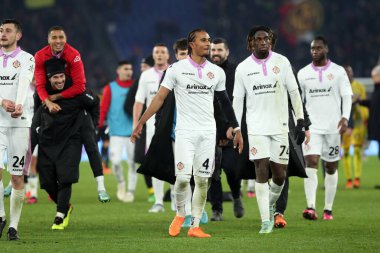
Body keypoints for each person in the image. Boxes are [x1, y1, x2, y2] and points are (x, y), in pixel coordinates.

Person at [132, 28, 243, 238]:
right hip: (184, 133)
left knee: (202, 181)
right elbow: (159, 99)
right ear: (191, 44)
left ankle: (195, 226)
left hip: (207, 134)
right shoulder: (176, 69)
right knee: (182, 179)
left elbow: (225, 103)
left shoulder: (216, 72)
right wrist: (141, 122)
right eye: (204, 40)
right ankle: (180, 213)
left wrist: (236, 128)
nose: (208, 44)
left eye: (209, 40)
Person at [233, 25, 305, 234]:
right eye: (259, 39)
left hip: (280, 127)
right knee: (261, 170)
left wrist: (300, 120)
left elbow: (294, 92)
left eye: (267, 39)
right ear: (251, 43)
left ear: (271, 42)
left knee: (280, 176)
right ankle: (266, 220)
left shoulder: (282, 62)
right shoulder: (243, 68)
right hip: (256, 129)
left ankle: (271, 204)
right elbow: (238, 101)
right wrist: (237, 128)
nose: (263, 42)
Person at [31, 58, 101, 230]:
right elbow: (37, 110)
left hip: (71, 139)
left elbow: (94, 102)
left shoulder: (77, 89)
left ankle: (60, 215)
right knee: (46, 183)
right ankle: (66, 207)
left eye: (62, 76)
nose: (60, 80)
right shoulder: (40, 94)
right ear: (48, 79)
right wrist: (39, 127)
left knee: (65, 178)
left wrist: (93, 125)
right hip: (49, 141)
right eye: (56, 78)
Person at [298, 36, 352, 220]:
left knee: (330, 167)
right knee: (310, 162)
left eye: (318, 48)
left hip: (333, 127)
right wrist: (300, 122)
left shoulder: (338, 72)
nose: (315, 51)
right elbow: (299, 102)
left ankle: (328, 209)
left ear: (326, 49)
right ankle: (310, 207)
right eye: (312, 49)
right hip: (312, 127)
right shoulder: (303, 73)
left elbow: (347, 96)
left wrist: (345, 118)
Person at [0, 19, 35, 240]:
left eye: (8, 31)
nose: (3, 34)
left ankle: (13, 225)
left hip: (19, 123)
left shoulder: (26, 59)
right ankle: (0, 215)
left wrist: (19, 103)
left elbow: (24, 81)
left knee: (15, 177)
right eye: (1, 30)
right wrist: (2, 101)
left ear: (18, 35)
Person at [208, 37, 244, 221]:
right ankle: (217, 210)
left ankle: (237, 196)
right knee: (213, 173)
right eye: (213, 50)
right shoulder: (205, 71)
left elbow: (237, 101)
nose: (215, 53)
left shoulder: (236, 72)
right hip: (209, 129)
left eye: (219, 50)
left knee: (231, 170)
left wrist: (234, 125)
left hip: (230, 128)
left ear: (227, 52)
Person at [133, 43, 170, 212]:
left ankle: (177, 200)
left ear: (168, 55)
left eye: (163, 52)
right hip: (152, 127)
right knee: (155, 163)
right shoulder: (145, 75)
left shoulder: (175, 72)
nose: (160, 55)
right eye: (157, 52)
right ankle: (159, 202)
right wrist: (136, 124)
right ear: (153, 56)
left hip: (171, 126)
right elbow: (139, 101)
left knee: (176, 163)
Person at [98, 60, 136, 202]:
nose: (129, 71)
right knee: (115, 162)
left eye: (130, 69)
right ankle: (121, 184)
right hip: (115, 133)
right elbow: (103, 109)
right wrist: (98, 126)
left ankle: (130, 191)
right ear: (118, 71)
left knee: (132, 163)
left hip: (132, 133)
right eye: (126, 69)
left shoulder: (135, 86)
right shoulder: (110, 88)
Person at [34, 26, 86, 113]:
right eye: (54, 38)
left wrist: (56, 96)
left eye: (61, 37)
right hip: (49, 90)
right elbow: (40, 85)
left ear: (66, 39)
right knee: (36, 98)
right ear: (48, 40)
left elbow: (80, 86)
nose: (58, 41)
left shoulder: (74, 55)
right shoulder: (39, 56)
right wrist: (48, 102)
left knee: (88, 100)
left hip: (69, 89)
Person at [341, 65, 368, 189]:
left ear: (352, 73)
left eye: (349, 72)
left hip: (358, 123)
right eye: (345, 72)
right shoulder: (339, 87)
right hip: (345, 123)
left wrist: (365, 118)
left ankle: (357, 178)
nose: (348, 74)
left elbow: (364, 105)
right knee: (345, 152)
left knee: (357, 150)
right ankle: (348, 179)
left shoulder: (359, 87)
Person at [357, 65, 380, 188]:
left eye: (374, 76)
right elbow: (374, 104)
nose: (372, 79)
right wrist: (360, 101)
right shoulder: (377, 90)